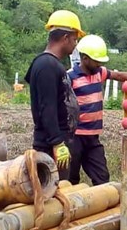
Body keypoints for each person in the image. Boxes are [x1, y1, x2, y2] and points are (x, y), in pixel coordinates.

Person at [67, 34, 127, 185]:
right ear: (85, 58)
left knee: (102, 177)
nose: (99, 64)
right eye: (96, 61)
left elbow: (117, 75)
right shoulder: (70, 77)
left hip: (93, 138)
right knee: (70, 178)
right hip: (74, 137)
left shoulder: (99, 72)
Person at [24, 9, 85, 179]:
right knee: (52, 196)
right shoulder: (46, 65)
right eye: (74, 39)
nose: (75, 45)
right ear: (65, 38)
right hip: (50, 147)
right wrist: (57, 143)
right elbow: (46, 107)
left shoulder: (51, 65)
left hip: (59, 143)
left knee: (62, 190)